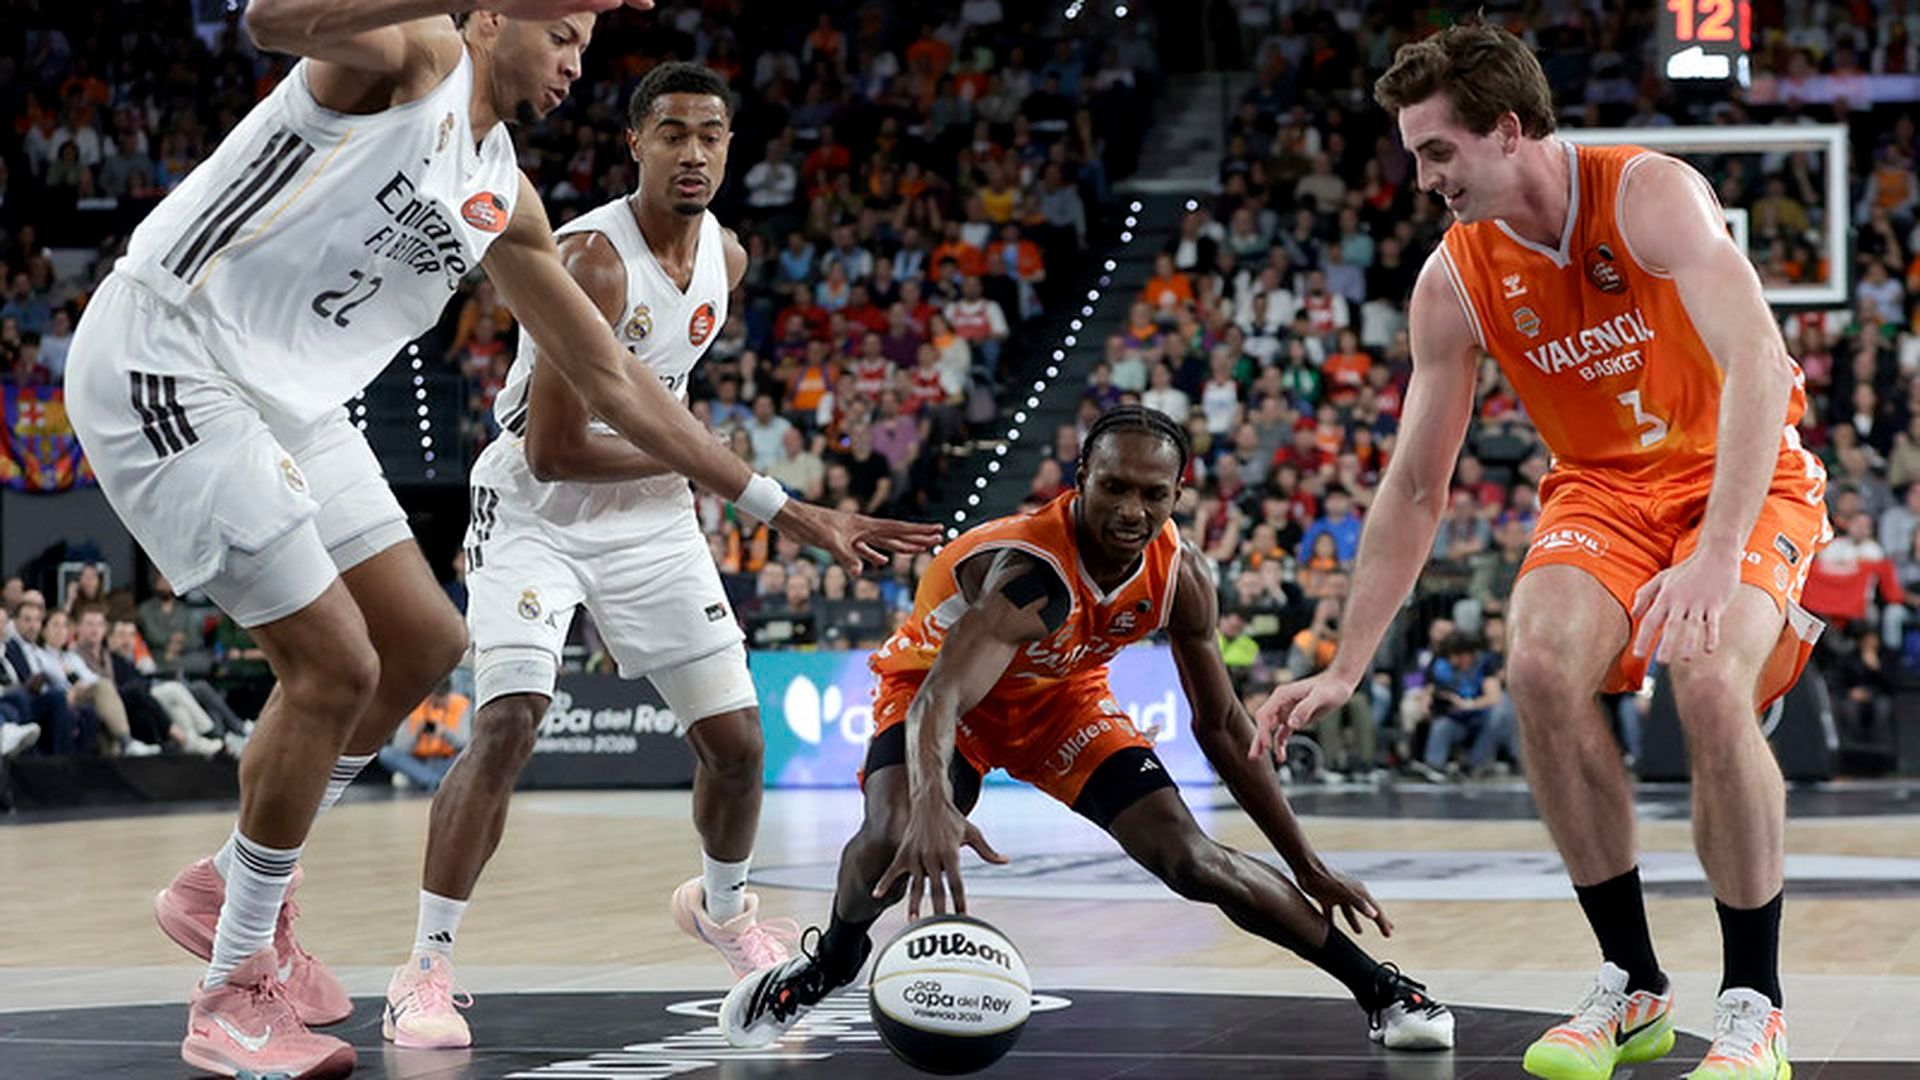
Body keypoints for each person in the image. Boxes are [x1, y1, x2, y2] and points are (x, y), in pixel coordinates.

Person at [61, 4, 934, 1076]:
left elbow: (613, 377)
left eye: (582, 44)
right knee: (335, 664)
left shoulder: (502, 193)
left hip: (289, 401)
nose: (575, 62)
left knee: (422, 642)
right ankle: (231, 989)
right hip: (170, 354)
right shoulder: (413, 57)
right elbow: (266, 19)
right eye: (561, 34)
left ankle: (225, 890)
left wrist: (780, 506)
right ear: (487, 19)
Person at [1256, 24, 1828, 1080]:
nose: (1421, 178)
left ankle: (1756, 1003)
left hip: (1740, 474)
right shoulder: (1454, 279)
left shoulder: (1650, 195)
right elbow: (1417, 486)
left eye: (1436, 152)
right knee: (1537, 665)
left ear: (1507, 130)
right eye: (1414, 155)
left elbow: (1759, 362)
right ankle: (1634, 982)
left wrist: (1713, 553)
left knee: (1705, 683)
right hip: (1603, 490)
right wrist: (1346, 661)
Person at [721, 406, 1454, 1054]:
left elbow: (1225, 727)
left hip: (1061, 701)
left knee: (1193, 860)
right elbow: (941, 698)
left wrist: (1307, 863)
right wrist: (937, 805)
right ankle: (828, 966)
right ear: (1081, 478)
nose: (1132, 509)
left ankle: (1383, 990)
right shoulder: (1030, 572)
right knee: (892, 834)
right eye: (1115, 487)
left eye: (1152, 493)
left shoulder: (1183, 575)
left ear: (1178, 495)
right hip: (939, 694)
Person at [385, 63, 820, 1051]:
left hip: (649, 516)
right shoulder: (591, 258)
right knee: (511, 719)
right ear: (636, 143)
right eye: (673, 132)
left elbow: (657, 397)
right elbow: (555, 447)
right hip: (537, 505)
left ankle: (725, 909)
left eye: (712, 132)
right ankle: (427, 966)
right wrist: (713, 467)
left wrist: (684, 465)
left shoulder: (730, 260)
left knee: (740, 745)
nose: (695, 150)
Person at [379, 679, 469, 791]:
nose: (438, 702)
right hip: (418, 761)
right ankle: (435, 781)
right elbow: (400, 748)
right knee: (386, 753)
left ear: (449, 693)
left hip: (445, 761)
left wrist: (444, 733)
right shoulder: (416, 705)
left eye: (442, 697)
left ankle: (426, 779)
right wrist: (416, 734)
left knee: (467, 758)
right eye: (435, 697)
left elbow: (465, 743)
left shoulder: (461, 704)